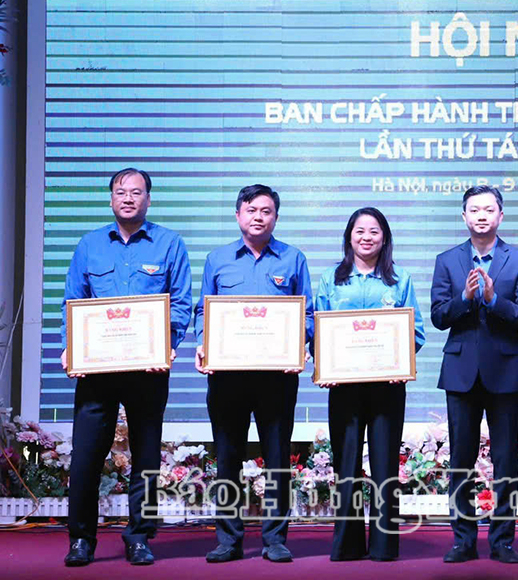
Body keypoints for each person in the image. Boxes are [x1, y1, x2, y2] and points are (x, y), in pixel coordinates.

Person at [60, 168, 192, 567]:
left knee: (146, 457)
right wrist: (71, 348)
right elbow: (73, 302)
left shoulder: (169, 243)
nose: (128, 198)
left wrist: (167, 346)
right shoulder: (90, 244)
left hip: (147, 371)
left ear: (148, 199)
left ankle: (139, 536)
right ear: (111, 199)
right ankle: (81, 540)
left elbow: (180, 304)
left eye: (136, 192)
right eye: (121, 192)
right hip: (97, 372)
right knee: (86, 457)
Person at [194, 184, 314, 564]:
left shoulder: (293, 259)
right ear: (238, 215)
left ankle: (275, 539)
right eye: (251, 210)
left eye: (266, 211)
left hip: (276, 378)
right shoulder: (217, 259)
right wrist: (203, 343)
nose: (258, 217)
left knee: (278, 459)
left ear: (275, 217)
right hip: (227, 377)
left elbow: (307, 313)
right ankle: (228, 540)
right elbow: (203, 311)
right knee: (227, 459)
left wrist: (301, 343)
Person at [430, 184, 518, 564]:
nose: (481, 216)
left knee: (506, 460)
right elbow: (438, 316)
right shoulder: (447, 260)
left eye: (488, 210)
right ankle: (463, 539)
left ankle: (503, 540)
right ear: (464, 216)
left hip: (505, 371)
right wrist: (465, 299)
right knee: (461, 459)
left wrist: (493, 300)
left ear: (500, 216)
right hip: (460, 372)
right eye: (474, 210)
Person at [313, 207, 426, 562]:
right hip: (343, 387)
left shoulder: (400, 279)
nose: (366, 237)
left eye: (374, 231)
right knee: (346, 465)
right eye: (359, 231)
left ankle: (383, 546)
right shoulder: (331, 279)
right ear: (349, 236)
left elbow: (416, 331)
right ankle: (347, 546)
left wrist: (401, 360)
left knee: (385, 464)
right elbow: (317, 329)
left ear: (384, 237)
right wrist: (324, 362)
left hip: (387, 386)